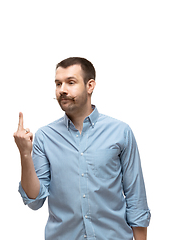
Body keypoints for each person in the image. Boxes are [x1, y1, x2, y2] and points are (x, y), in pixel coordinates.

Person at [13, 57, 151, 240]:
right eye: (58, 83)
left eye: (71, 82)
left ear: (90, 86)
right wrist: (24, 153)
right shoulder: (45, 137)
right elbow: (34, 200)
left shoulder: (120, 132)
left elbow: (136, 197)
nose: (62, 90)